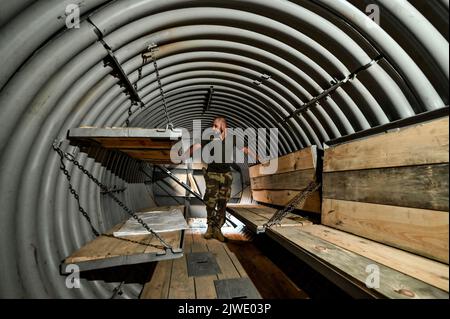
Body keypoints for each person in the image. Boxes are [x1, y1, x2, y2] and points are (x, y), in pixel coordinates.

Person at [181, 117, 259, 241]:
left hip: (226, 176)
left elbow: (245, 149)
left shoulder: (232, 139)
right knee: (210, 203)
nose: (213, 128)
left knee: (222, 203)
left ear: (223, 127)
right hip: (212, 174)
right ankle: (210, 228)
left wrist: (258, 158)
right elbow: (196, 146)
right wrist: (185, 155)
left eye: (215, 126)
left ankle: (218, 229)